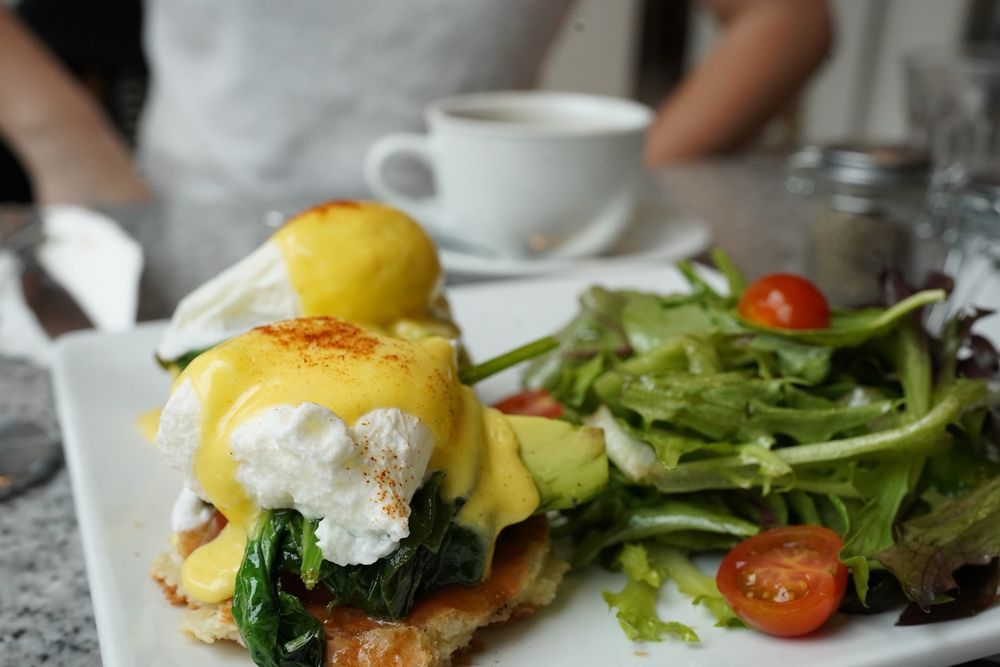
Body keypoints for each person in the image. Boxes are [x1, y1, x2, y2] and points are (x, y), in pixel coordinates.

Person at [0, 0, 832, 207]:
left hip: (487, 250)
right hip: (198, 220)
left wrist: (605, 189)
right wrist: (61, 136)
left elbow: (787, 17)